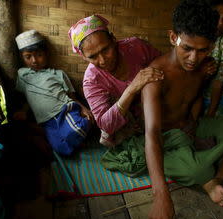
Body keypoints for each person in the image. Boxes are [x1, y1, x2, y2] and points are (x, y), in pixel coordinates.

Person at [101, 0, 223, 219]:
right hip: (163, 141)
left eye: (203, 50)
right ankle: (204, 172)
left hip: (189, 129)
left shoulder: (204, 65)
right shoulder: (156, 76)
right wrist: (161, 195)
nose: (194, 58)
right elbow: (152, 134)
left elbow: (193, 98)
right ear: (173, 37)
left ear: (212, 45)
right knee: (197, 168)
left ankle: (218, 178)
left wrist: (195, 122)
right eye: (187, 48)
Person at [68, 15, 164, 147]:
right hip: (128, 129)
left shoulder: (136, 47)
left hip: (156, 109)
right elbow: (106, 125)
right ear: (84, 57)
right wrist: (132, 89)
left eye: (105, 49)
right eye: (93, 56)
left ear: (113, 39)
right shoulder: (92, 81)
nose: (102, 60)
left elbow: (164, 65)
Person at [15, 29, 93, 156]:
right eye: (28, 57)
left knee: (78, 129)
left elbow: (71, 96)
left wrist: (83, 108)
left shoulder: (58, 74)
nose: (34, 60)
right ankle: (68, 137)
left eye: (39, 54)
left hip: (64, 110)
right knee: (61, 149)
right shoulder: (22, 75)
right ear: (22, 57)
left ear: (46, 53)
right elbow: (27, 97)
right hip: (46, 121)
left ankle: (78, 130)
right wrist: (24, 111)